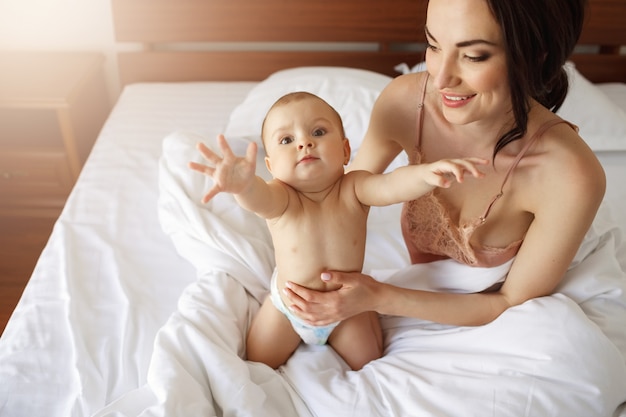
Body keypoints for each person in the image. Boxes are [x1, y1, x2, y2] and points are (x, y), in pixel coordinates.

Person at [280, 0, 606, 330]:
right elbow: (341, 198)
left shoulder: (569, 175)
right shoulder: (406, 106)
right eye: (433, 45)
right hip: (408, 297)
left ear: (538, 56)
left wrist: (377, 297)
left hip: (498, 319)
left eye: (473, 56)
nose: (441, 79)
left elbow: (510, 302)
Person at [189, 91, 486, 370]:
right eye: (286, 140)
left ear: (345, 150)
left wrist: (426, 174)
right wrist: (243, 186)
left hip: (347, 306)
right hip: (290, 309)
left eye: (318, 132)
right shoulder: (281, 197)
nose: (304, 143)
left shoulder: (353, 188)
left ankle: (368, 312)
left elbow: (392, 185)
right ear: (271, 165)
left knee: (368, 360)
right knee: (258, 361)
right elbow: (258, 198)